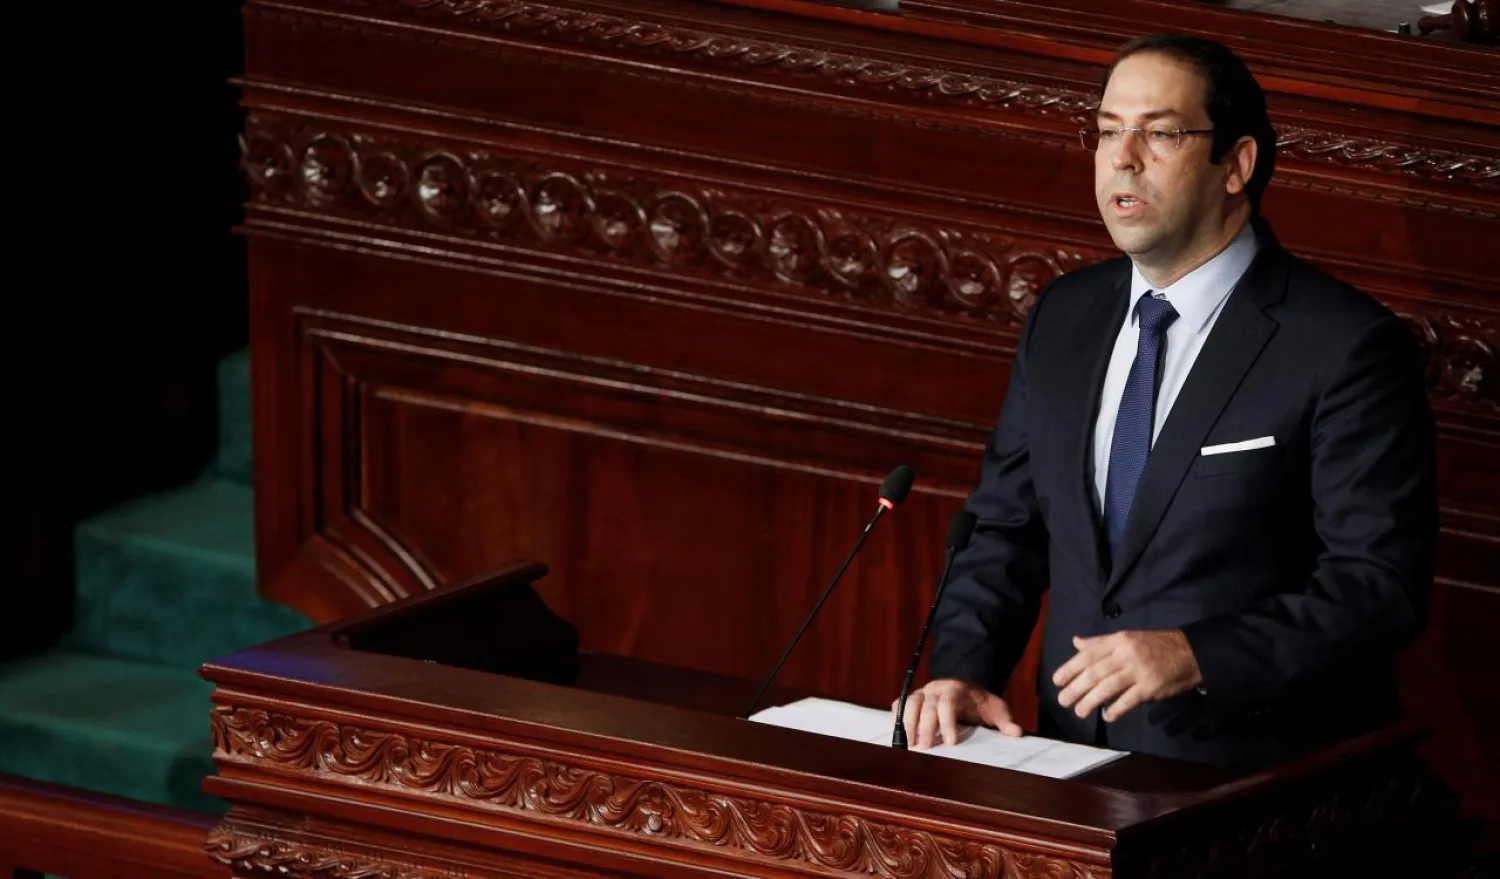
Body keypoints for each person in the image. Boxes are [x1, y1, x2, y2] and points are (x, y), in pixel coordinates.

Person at [895, 33, 1438, 772]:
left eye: (1161, 132)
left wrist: (1197, 653)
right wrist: (963, 670)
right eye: (1109, 130)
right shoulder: (1066, 316)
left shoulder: (1344, 345)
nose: (1123, 157)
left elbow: (1378, 585)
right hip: (1067, 769)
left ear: (1237, 164)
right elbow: (1003, 530)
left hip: (1257, 785)